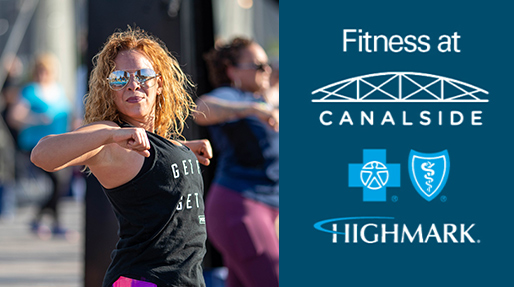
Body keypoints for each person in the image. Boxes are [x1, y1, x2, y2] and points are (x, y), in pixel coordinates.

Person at [30, 27, 213, 287]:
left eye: (143, 75)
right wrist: (107, 135)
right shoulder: (113, 136)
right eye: (119, 79)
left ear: (159, 84)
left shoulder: (149, 141)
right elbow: (42, 154)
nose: (133, 84)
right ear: (110, 89)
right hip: (144, 280)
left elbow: (152, 160)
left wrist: (181, 148)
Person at [194, 37, 279, 287]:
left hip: (263, 210)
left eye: (267, 66)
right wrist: (250, 109)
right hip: (239, 210)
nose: (266, 71)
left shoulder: (261, 99)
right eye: (258, 66)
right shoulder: (232, 98)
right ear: (232, 70)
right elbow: (201, 109)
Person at [7, 53, 72, 234]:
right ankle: (50, 222)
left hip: (60, 143)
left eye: (47, 71)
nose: (44, 74)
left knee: (60, 183)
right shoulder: (30, 91)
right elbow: (14, 117)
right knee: (57, 181)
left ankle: (43, 220)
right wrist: (35, 119)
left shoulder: (58, 90)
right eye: (40, 70)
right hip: (37, 145)